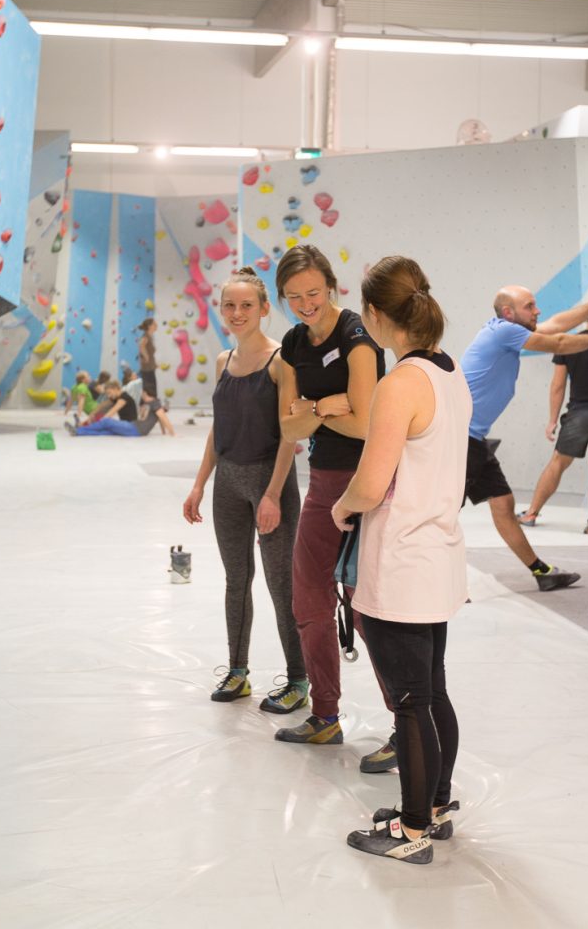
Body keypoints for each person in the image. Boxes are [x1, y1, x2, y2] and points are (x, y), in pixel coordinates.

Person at [331, 256, 472, 866]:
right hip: (438, 557)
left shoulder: (400, 384)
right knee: (431, 691)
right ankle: (433, 807)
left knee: (410, 701)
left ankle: (412, 829)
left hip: (401, 563)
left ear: (374, 315)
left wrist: (341, 507)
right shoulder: (449, 372)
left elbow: (371, 480)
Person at [273, 245, 387, 751]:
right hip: (322, 481)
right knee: (308, 599)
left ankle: (404, 727)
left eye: (313, 292)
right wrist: (325, 406)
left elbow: (366, 424)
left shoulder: (356, 335)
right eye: (294, 296)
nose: (305, 303)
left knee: (370, 611)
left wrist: (310, 410)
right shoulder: (295, 342)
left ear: (331, 288)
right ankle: (325, 715)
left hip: (369, 483)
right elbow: (289, 424)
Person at [182, 268, 307, 712]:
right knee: (237, 581)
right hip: (227, 485)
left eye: (246, 305)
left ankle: (298, 679)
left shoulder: (280, 362)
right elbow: (220, 428)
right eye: (229, 306)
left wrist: (272, 494)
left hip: (270, 482)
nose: (236, 314)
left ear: (264, 309)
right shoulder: (222, 361)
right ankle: (238, 672)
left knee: (280, 585)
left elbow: (291, 435)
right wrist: (199, 484)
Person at [461, 280, 588, 591]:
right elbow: (558, 341)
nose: (537, 310)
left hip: (472, 438)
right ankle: (442, 584)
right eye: (529, 306)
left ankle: (541, 572)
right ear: (508, 312)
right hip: (457, 438)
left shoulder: (507, 330)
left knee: (503, 503)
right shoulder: (504, 331)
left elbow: (557, 324)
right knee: (442, 513)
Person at [518, 305, 588, 533]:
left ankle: (531, 513)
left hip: (579, 413)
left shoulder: (570, 344)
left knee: (558, 464)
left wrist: (552, 420)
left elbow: (558, 385)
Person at [66, 382, 174, 437]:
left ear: (146, 393)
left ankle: (79, 430)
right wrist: (163, 432)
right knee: (105, 431)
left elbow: (162, 416)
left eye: (143, 392)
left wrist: (173, 433)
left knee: (106, 422)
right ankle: (78, 432)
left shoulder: (154, 403)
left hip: (133, 427)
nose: (141, 394)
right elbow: (102, 406)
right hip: (133, 428)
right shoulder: (149, 403)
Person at [138, 318, 158, 397]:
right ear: (150, 326)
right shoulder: (145, 336)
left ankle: (153, 406)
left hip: (150, 368)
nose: (156, 326)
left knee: (152, 388)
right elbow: (141, 345)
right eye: (154, 324)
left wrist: (154, 364)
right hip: (147, 369)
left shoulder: (149, 336)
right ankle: (151, 406)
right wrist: (146, 357)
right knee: (150, 389)